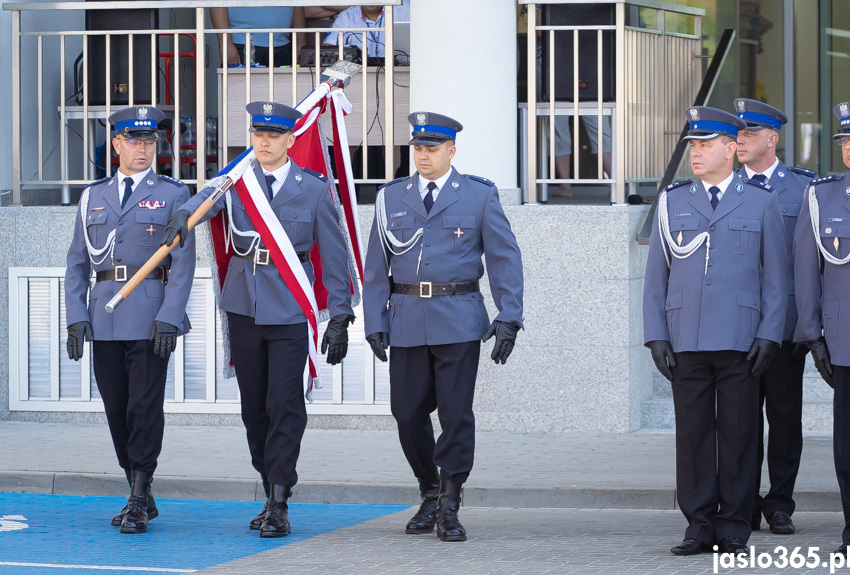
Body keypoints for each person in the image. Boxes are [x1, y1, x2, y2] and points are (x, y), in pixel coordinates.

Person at [160, 101, 354, 538]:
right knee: (254, 410)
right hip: (244, 305)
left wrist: (339, 315)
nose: (263, 141)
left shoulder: (315, 189)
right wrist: (182, 215)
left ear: (291, 140)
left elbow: (335, 259)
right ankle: (270, 489)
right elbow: (204, 204)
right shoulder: (236, 182)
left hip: (289, 308)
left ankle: (280, 501)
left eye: (273, 135)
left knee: (285, 404)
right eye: (257, 134)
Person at [363, 112, 524, 542]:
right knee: (407, 412)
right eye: (417, 148)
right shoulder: (391, 197)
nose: (422, 156)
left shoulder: (478, 195)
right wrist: (374, 319)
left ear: (451, 151)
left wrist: (509, 316)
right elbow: (376, 265)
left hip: (458, 317)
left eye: (431, 148)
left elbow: (505, 258)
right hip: (408, 317)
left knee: (455, 415)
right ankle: (429, 488)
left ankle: (450, 502)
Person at [643, 106, 787, 556]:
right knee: (693, 435)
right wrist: (655, 335)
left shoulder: (762, 201)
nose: (697, 154)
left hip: (741, 337)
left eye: (706, 145)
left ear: (730, 148)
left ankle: (734, 525)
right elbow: (656, 278)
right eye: (693, 146)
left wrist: (770, 335)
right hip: (686, 336)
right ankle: (699, 524)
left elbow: (776, 280)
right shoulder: (673, 201)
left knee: (740, 434)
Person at [64, 105, 196, 534]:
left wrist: (170, 318)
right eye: (135, 141)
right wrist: (75, 316)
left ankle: (138, 497)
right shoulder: (92, 196)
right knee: (117, 409)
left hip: (149, 314)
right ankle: (138, 485)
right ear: (115, 145)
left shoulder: (176, 194)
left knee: (144, 407)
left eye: (150, 141)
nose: (144, 148)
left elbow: (183, 263)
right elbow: (77, 264)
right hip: (104, 317)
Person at [734, 98, 816, 536]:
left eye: (749, 134)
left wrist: (810, 323)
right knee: (740, 419)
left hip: (785, 325)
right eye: (737, 134)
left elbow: (814, 262)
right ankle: (743, 502)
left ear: (773, 138)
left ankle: (780, 503)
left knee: (784, 418)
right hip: (738, 325)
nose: (740, 141)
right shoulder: (726, 185)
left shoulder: (804, 190)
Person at [794, 101, 850, 559]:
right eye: (843, 140)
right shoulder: (822, 196)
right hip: (849, 339)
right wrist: (812, 333)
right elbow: (806, 269)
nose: (848, 147)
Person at [210, 6, 306, 67]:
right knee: (241, 95)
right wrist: (226, 43)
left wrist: (301, 43)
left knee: (283, 95)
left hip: (282, 46)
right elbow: (216, 5)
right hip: (243, 44)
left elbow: (297, 6)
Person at [323, 3, 411, 59]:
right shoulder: (346, 16)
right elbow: (330, 47)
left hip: (401, 70)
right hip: (358, 74)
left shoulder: (404, 8)